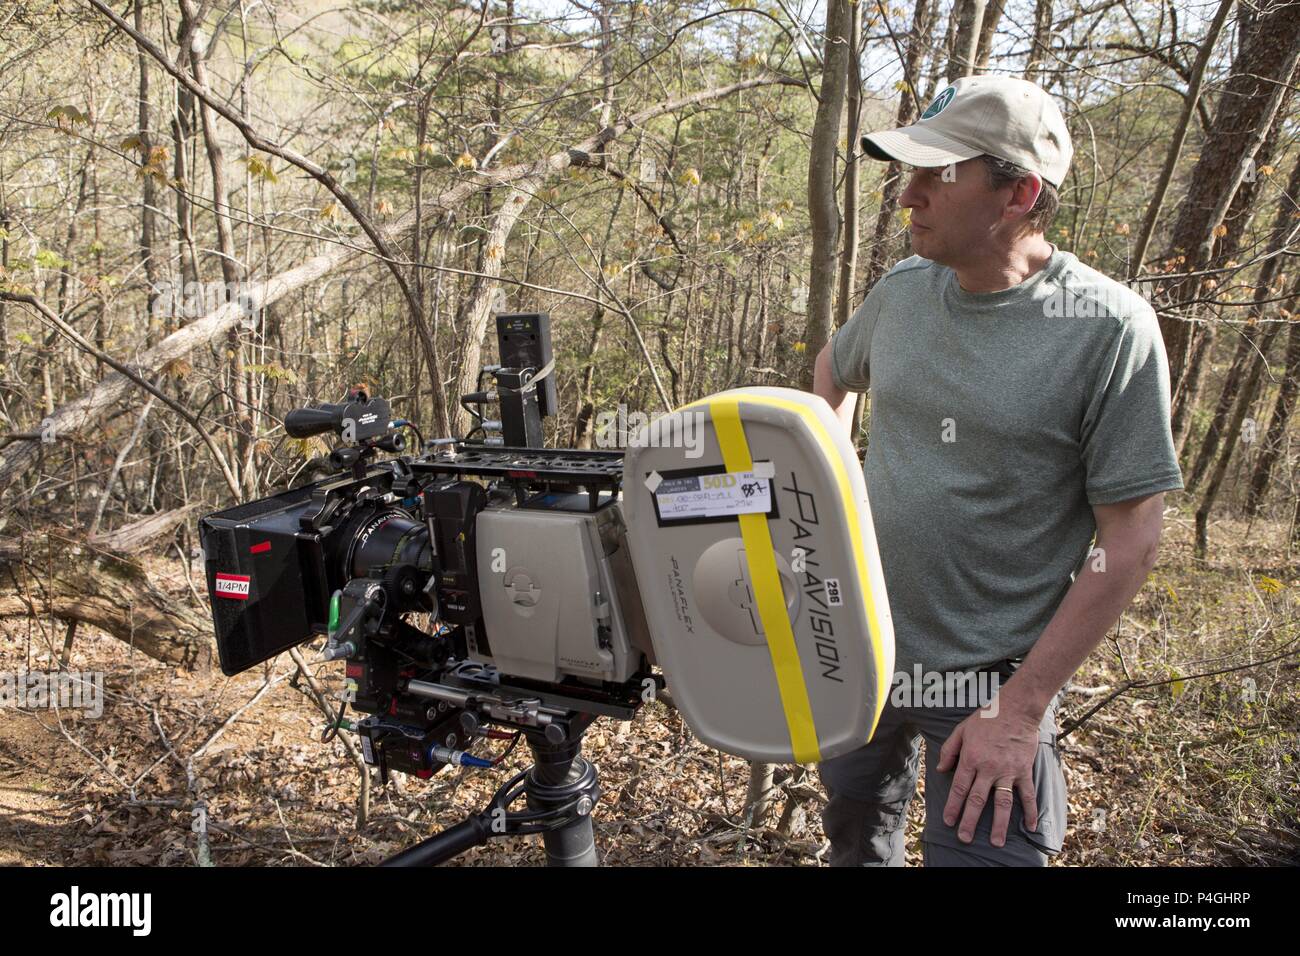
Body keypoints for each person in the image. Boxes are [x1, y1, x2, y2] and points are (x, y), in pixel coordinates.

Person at [811, 75, 1184, 866]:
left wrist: (1022, 709)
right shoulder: (902, 293)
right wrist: (832, 495)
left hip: (991, 686)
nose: (907, 194)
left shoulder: (1109, 329)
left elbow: (1132, 538)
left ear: (1017, 194)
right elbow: (832, 374)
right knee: (853, 835)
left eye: (934, 175)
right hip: (869, 657)